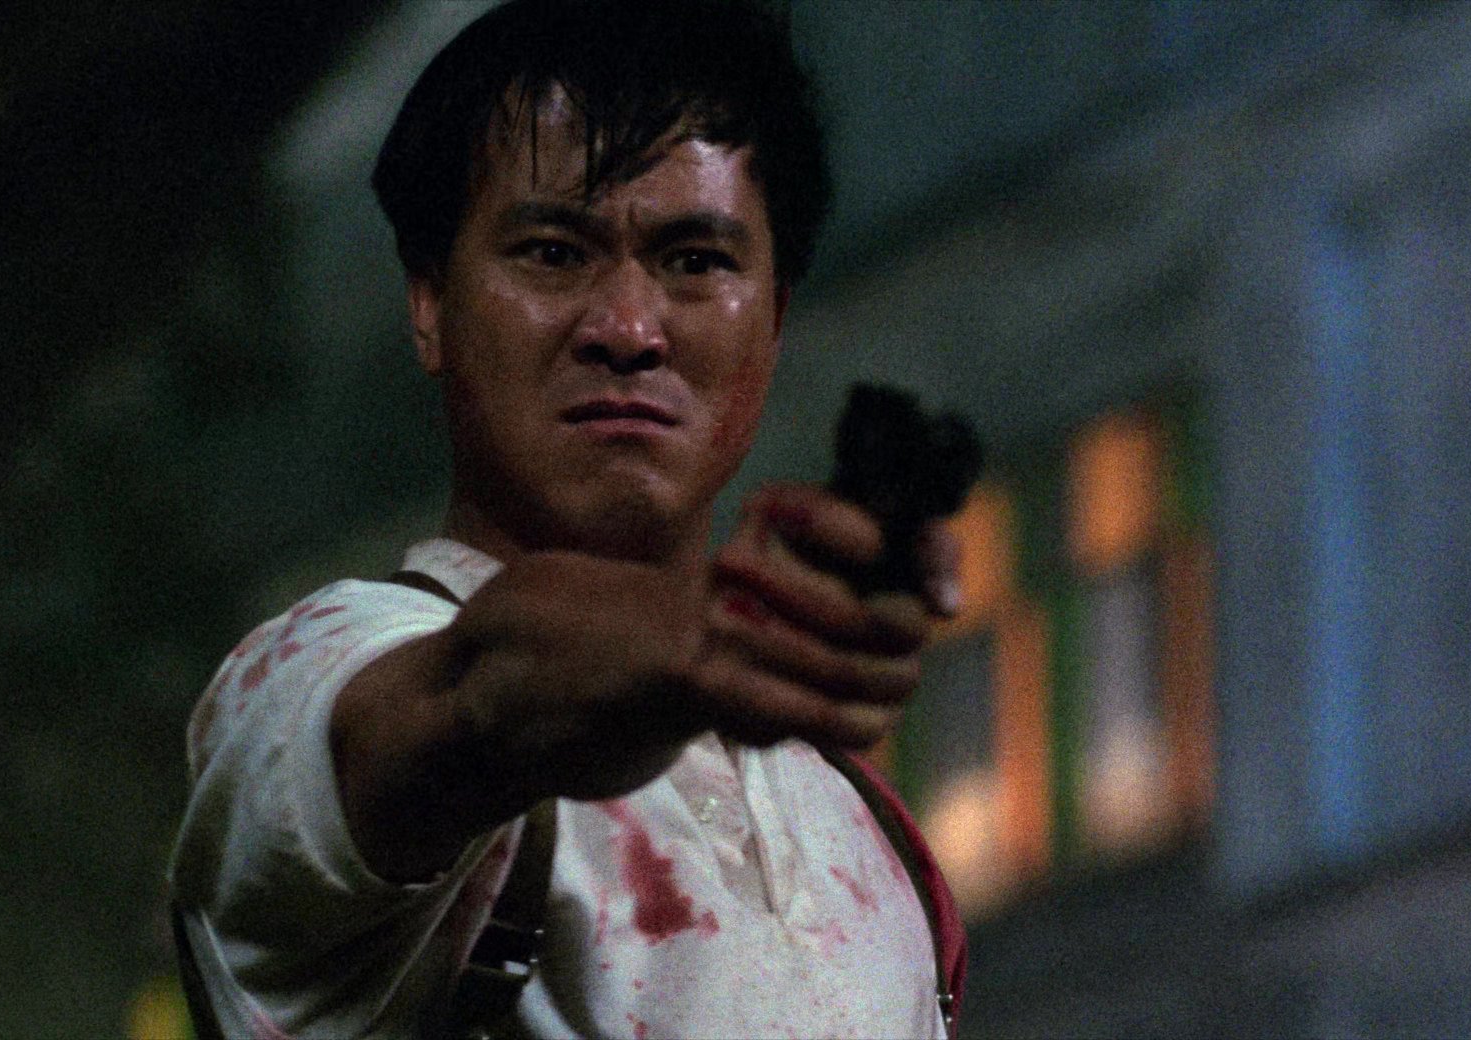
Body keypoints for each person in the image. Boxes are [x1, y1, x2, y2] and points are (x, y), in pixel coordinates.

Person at [170, 1, 966, 1036]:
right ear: (429, 303)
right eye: (552, 252)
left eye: (695, 260)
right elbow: (482, 688)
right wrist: (713, 634)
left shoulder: (868, 833)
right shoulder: (314, 684)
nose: (629, 328)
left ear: (773, 318)